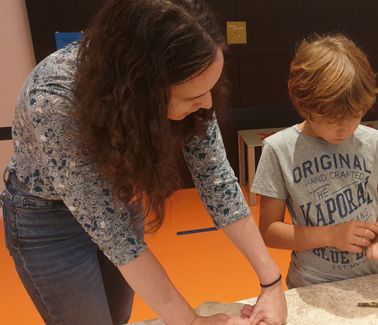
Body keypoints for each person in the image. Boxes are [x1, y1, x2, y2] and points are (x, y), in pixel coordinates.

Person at [1, 0, 287, 324]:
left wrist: (272, 283)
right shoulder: (55, 99)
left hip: (119, 198)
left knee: (119, 315)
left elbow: (216, 181)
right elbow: (116, 239)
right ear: (142, 91)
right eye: (193, 97)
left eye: (210, 88)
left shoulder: (188, 71)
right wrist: (191, 321)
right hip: (49, 217)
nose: (207, 102)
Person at [251, 34, 378, 288]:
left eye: (355, 116)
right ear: (305, 107)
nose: (344, 130)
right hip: (312, 284)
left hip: (375, 278)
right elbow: (269, 231)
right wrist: (331, 234)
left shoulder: (375, 142)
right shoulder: (279, 149)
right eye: (332, 122)